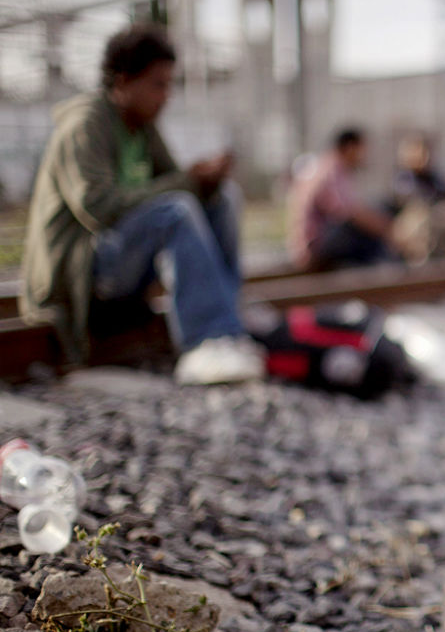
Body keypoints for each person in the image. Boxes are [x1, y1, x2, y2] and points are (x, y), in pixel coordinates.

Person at [20, 24, 264, 385]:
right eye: (158, 84)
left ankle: (229, 326)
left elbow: (179, 184)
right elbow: (98, 207)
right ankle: (206, 342)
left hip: (122, 262)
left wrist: (207, 181)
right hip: (83, 270)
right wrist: (188, 182)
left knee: (224, 199)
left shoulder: (142, 126)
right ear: (122, 81)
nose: (166, 96)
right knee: (175, 211)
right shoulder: (86, 125)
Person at [287, 127, 403, 271]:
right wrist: (389, 229)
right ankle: (378, 270)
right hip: (316, 247)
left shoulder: (321, 165)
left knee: (375, 212)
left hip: (310, 244)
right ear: (350, 148)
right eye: (362, 150)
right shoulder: (332, 171)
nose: (364, 156)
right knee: (365, 227)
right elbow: (350, 213)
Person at [387, 130, 445, 264]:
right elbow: (413, 201)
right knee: (421, 221)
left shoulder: (434, 176)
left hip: (436, 219)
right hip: (412, 225)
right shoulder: (403, 178)